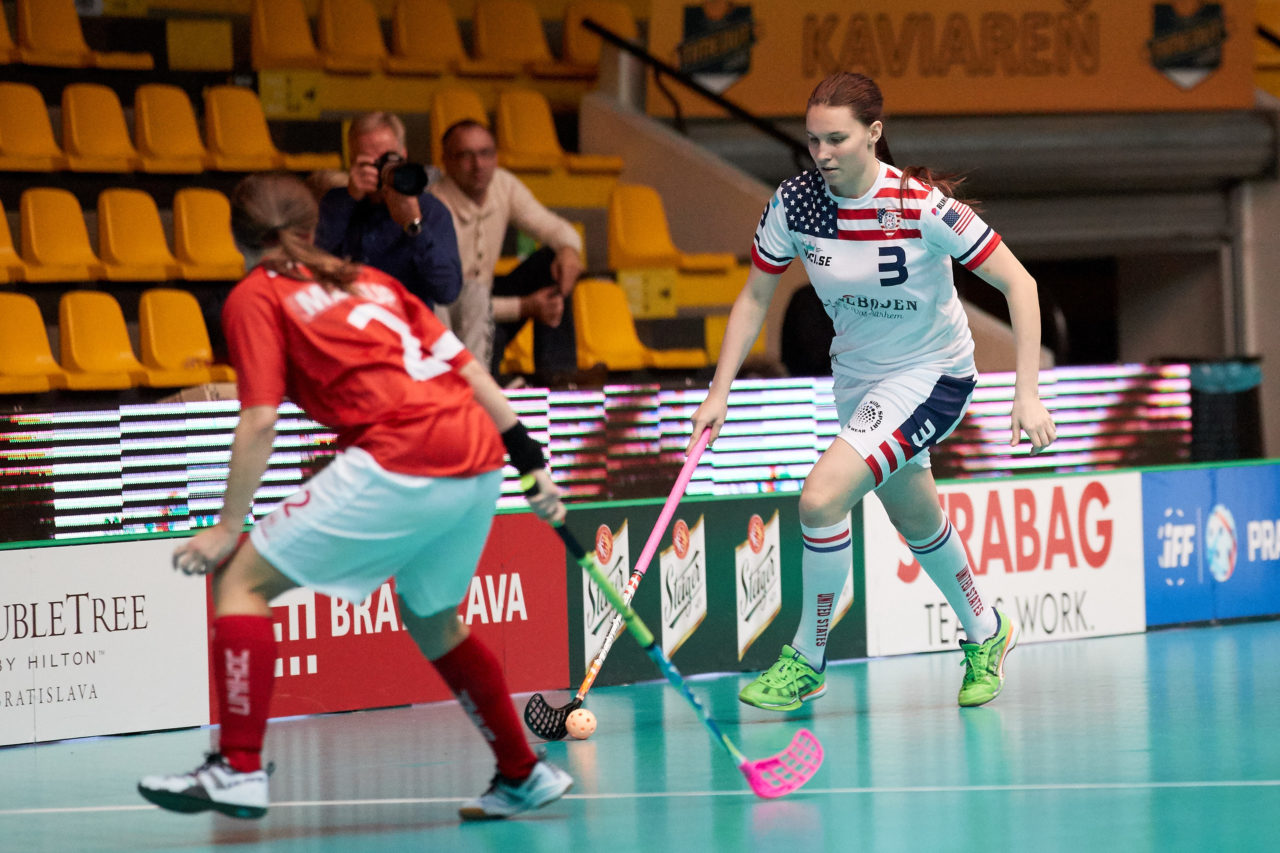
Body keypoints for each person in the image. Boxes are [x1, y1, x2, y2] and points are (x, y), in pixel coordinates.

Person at [137, 172, 574, 822]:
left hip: (403, 454)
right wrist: (531, 464)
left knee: (239, 580)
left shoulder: (257, 295)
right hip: (479, 454)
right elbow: (473, 371)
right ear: (314, 230)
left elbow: (259, 419)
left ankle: (237, 766)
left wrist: (228, 526)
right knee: (432, 614)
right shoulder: (374, 281)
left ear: (239, 238)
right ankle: (522, 770)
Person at [689, 72, 1057, 712]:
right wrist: (718, 391)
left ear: (874, 135)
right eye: (812, 141)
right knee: (915, 514)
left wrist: (1026, 394)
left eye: (837, 139)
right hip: (857, 378)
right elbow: (754, 295)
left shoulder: (920, 205)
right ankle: (987, 631)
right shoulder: (795, 203)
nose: (823, 154)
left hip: (932, 375)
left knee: (822, 498)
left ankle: (807, 657)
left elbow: (1019, 285)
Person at [431, 120, 584, 384]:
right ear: (445, 160)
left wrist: (569, 251)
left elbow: (556, 228)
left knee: (553, 260)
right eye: (466, 155)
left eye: (485, 153)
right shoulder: (433, 205)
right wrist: (524, 307)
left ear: (496, 157)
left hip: (491, 306)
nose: (478, 165)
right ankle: (499, 385)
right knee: (471, 303)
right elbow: (451, 302)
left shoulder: (503, 184)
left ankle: (559, 376)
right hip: (455, 323)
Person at [315, 112, 461, 310]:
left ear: (404, 155)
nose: (382, 169)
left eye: (388, 159)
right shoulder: (335, 202)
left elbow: (447, 291)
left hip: (403, 324)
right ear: (352, 162)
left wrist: (414, 227)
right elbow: (310, 265)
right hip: (347, 318)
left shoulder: (429, 208)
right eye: (369, 162)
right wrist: (347, 201)